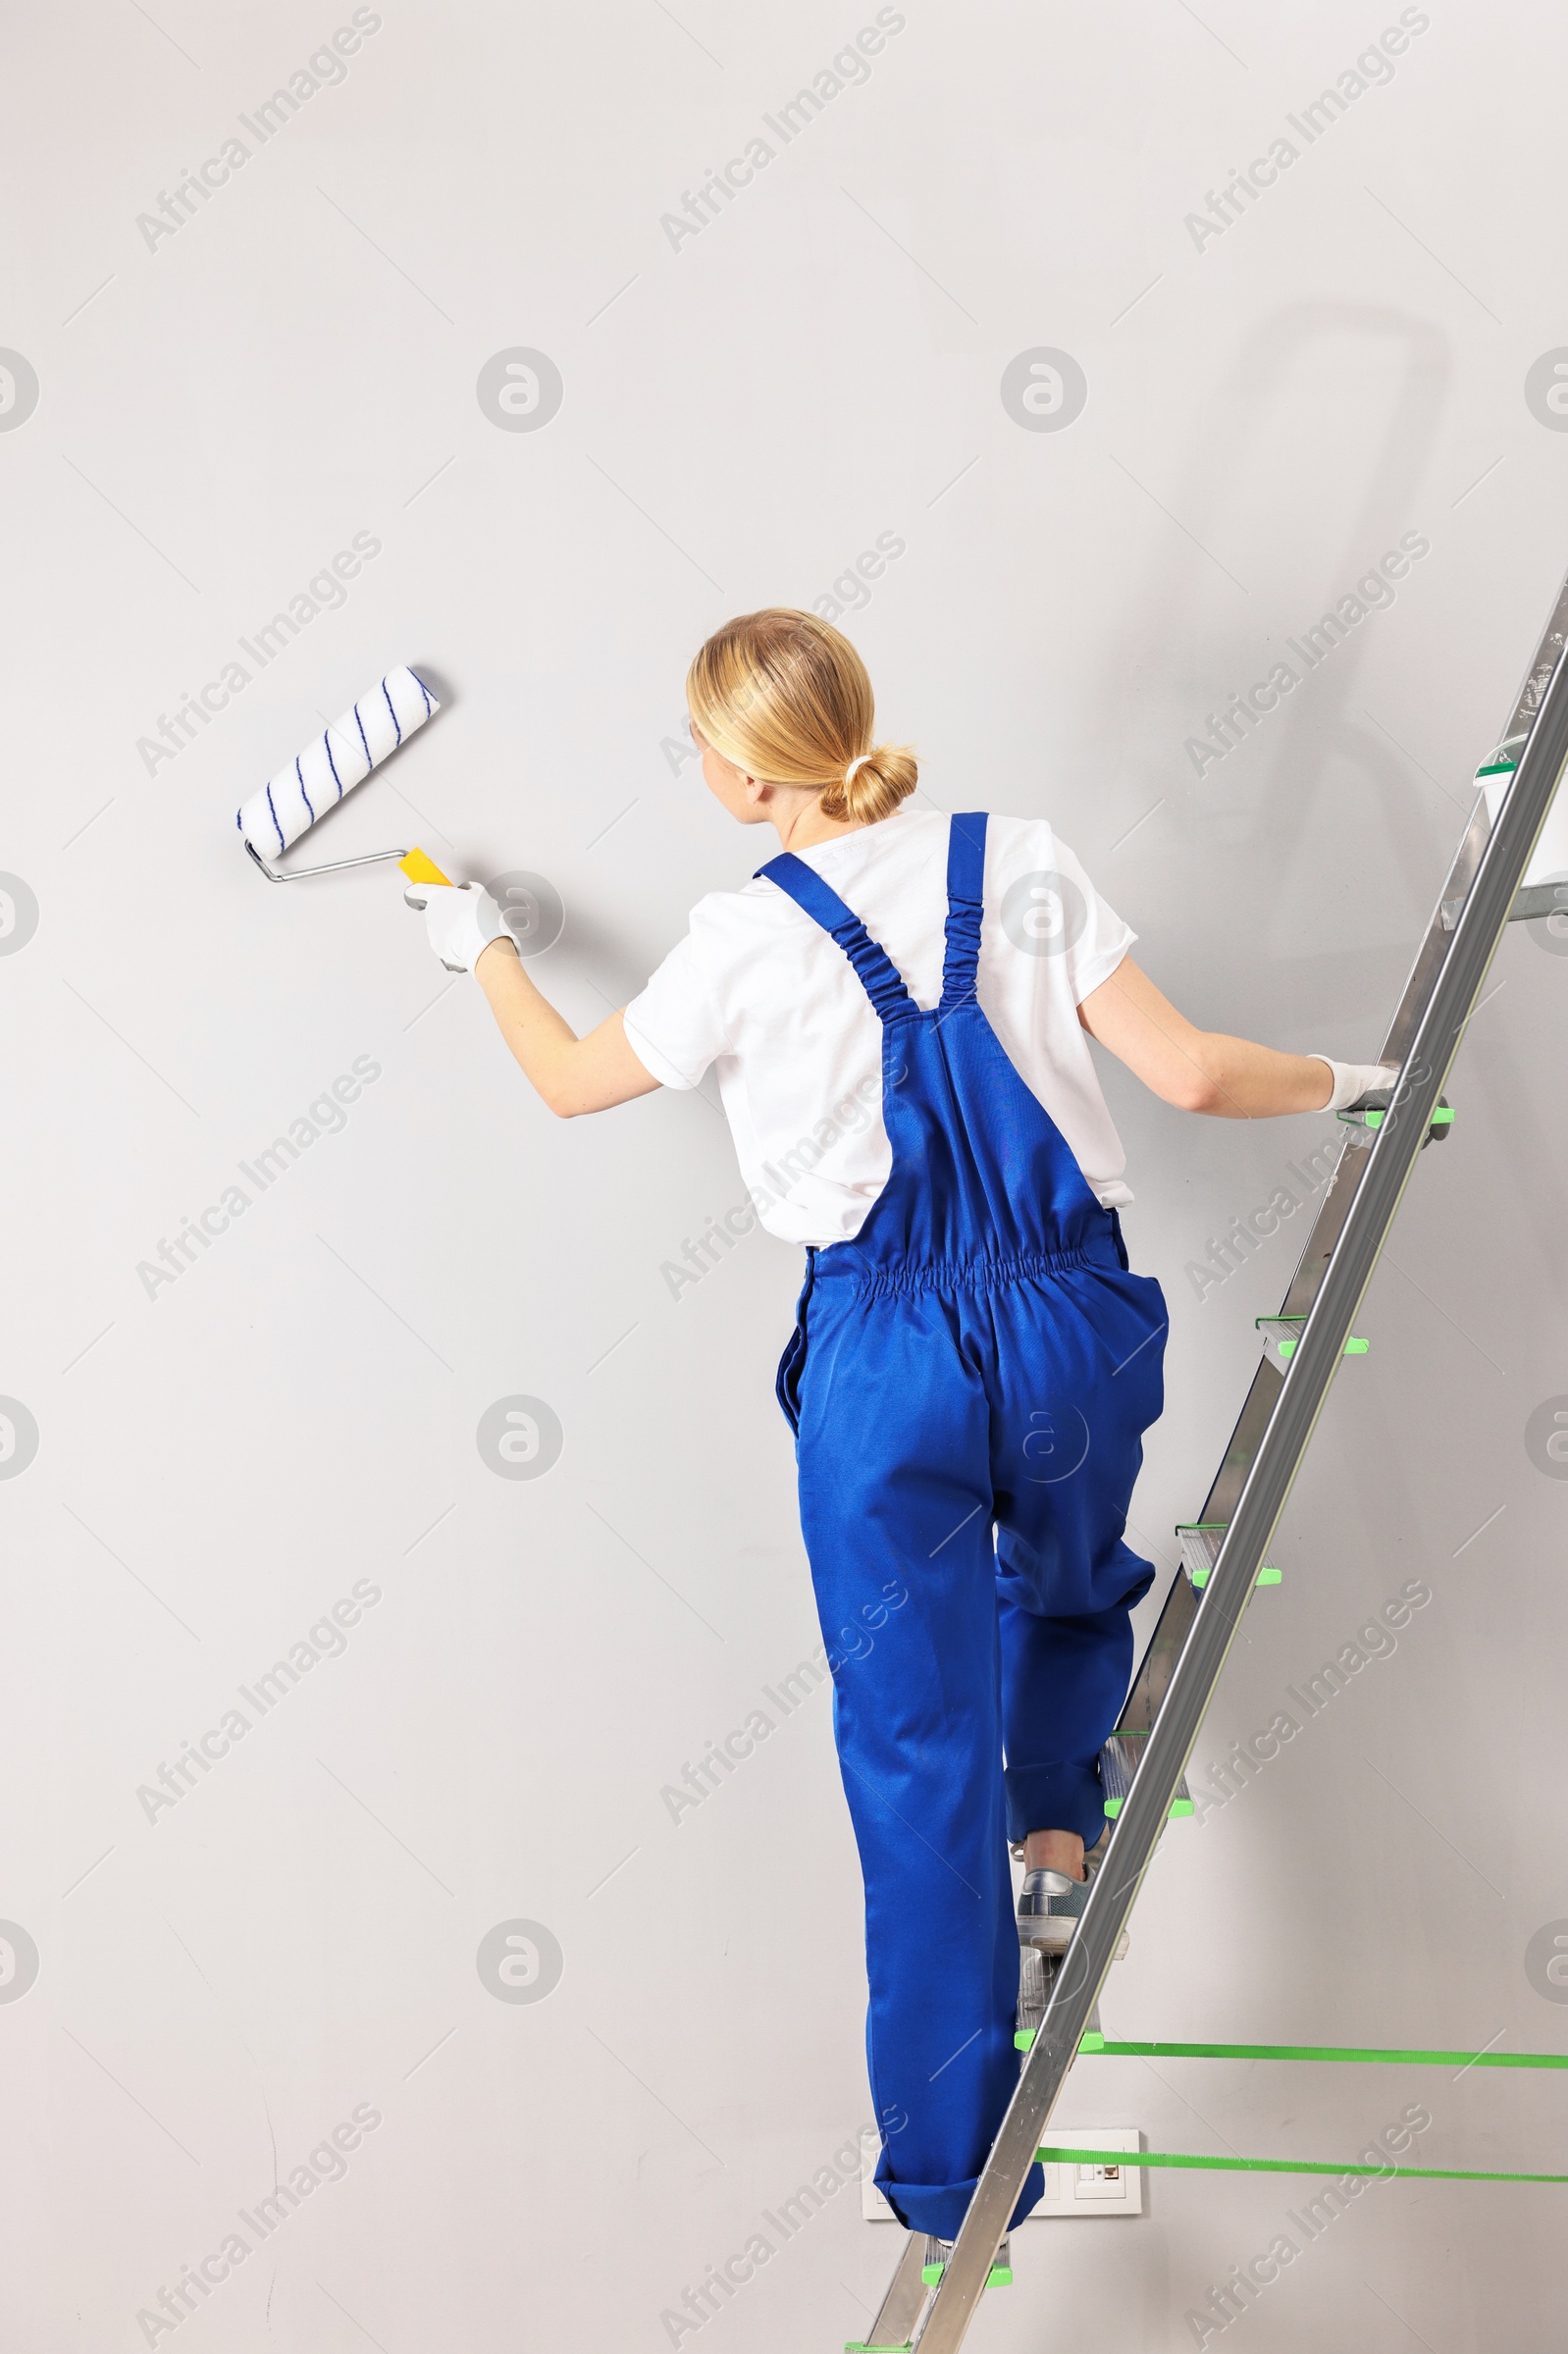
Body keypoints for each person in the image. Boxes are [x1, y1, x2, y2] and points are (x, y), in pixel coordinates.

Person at [403, 609, 1392, 2243]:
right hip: (1071, 1324)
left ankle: (950, 2184)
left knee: (911, 1754)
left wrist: (484, 948)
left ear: (735, 769)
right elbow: (1201, 1078)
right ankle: (1062, 1828)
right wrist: (1367, 1077)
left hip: (881, 1362)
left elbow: (575, 1084)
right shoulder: (1026, 857)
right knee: (1069, 1587)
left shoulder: (740, 935)